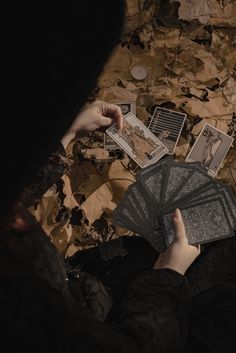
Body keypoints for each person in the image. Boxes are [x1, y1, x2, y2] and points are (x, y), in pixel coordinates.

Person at [1, 2, 236, 353]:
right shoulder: (23, 306)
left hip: (84, 279)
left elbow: (13, 191)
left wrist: (64, 134)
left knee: (218, 221)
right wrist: (169, 271)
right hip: (122, 316)